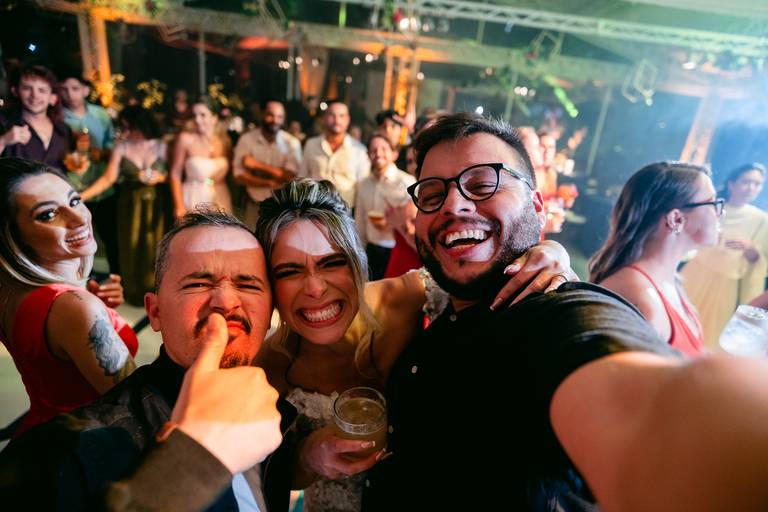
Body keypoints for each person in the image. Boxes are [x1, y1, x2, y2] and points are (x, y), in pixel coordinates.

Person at [356, 113, 768, 512]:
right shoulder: (442, 303)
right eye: (432, 195)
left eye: (482, 185)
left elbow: (657, 411)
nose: (453, 205)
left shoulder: (553, 315)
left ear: (537, 206)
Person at [253, 178, 576, 511]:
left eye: (332, 263)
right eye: (289, 271)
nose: (315, 289)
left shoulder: (409, 298)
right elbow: (267, 472)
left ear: (357, 263)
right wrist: (308, 456)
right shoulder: (267, 367)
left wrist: (551, 252)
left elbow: (489, 277)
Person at [0, 207, 289, 510]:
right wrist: (196, 458)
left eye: (248, 285)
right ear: (155, 312)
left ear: (270, 311)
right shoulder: (68, 449)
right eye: (198, 284)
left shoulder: (279, 408)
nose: (226, 302)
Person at [0, 157, 136, 438]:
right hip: (91, 444)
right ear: (12, 236)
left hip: (44, 434)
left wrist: (101, 308)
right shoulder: (74, 308)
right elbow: (141, 407)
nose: (79, 218)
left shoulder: (11, 290)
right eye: (49, 214)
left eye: (74, 201)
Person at [588, 162, 719, 356]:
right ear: (676, 219)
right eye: (713, 203)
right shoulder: (639, 296)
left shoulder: (670, 281)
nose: (720, 213)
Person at [81, 105, 171, 305]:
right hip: (129, 204)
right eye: (123, 127)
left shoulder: (161, 145)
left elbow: (174, 176)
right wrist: (81, 196)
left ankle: (157, 293)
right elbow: (108, 178)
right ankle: (132, 294)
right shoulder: (122, 147)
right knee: (129, 248)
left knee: (156, 247)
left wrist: (161, 178)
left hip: (157, 204)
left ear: (142, 125)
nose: (126, 132)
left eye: (130, 127)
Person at [681, 162, 768, 348]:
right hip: (696, 272)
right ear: (732, 183)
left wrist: (750, 249)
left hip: (725, 284)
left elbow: (759, 262)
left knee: (706, 334)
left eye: (757, 184)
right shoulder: (713, 207)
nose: (751, 188)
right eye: (746, 182)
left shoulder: (761, 219)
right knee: (678, 318)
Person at [59, 71, 120, 274]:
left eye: (75, 89)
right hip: (72, 187)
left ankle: (117, 278)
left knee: (111, 237)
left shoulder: (100, 114)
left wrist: (102, 152)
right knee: (75, 237)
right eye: (64, 89)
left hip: (101, 186)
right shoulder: (57, 116)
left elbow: (113, 144)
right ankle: (80, 278)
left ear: (85, 90)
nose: (70, 94)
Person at [232, 99, 302, 229]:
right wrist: (270, 182)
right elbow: (239, 176)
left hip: (283, 209)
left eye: (279, 117)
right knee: (251, 240)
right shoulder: (246, 140)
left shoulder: (291, 143)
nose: (275, 120)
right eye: (270, 115)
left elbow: (291, 176)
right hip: (254, 206)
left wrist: (256, 165)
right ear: (262, 115)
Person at [354, 134, 416, 280]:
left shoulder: (407, 182)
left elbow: (415, 221)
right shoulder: (363, 185)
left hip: (398, 250)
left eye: (383, 149)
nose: (378, 153)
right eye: (373, 150)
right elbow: (360, 221)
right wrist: (358, 253)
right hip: (372, 250)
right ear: (368, 155)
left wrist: (393, 222)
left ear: (394, 154)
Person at [169, 97, 232, 218]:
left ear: (214, 118)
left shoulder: (224, 141)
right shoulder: (185, 139)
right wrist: (179, 205)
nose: (197, 120)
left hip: (221, 198)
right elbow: (175, 173)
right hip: (193, 196)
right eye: (194, 115)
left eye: (203, 115)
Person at [300, 100, 369, 207]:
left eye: (341, 116)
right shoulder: (311, 145)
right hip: (314, 208)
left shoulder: (359, 150)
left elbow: (362, 188)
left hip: (345, 211)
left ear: (348, 120)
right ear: (324, 118)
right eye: (332, 115)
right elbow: (302, 178)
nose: (337, 120)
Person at [0, 65, 70, 170]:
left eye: (42, 90)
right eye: (27, 88)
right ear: (15, 91)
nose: (35, 95)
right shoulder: (3, 123)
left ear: (53, 98)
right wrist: (3, 140)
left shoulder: (63, 130)